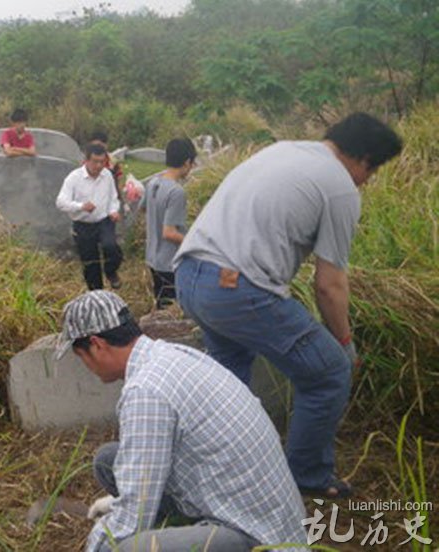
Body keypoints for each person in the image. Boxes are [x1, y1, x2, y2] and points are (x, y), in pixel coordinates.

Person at [174, 112, 403, 498]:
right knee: (329, 371)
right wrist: (345, 344)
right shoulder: (339, 186)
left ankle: (221, 467)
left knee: (230, 381)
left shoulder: (283, 151)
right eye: (373, 170)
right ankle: (306, 477)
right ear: (364, 159)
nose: (368, 180)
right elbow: (330, 286)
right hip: (235, 291)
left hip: (189, 276)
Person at [54, 290, 307, 552]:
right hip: (256, 508)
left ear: (96, 344)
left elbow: (133, 514)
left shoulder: (146, 391)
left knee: (122, 548)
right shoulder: (169, 355)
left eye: (80, 356)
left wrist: (97, 543)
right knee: (108, 460)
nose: (86, 366)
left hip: (257, 535)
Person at [56, 143, 123, 290]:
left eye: (102, 162)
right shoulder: (74, 178)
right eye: (95, 162)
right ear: (86, 160)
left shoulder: (107, 175)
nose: (99, 166)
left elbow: (113, 197)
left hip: (104, 220)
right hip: (83, 224)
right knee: (90, 263)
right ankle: (97, 292)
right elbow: (60, 202)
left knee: (111, 246)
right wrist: (81, 206)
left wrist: (113, 210)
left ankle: (111, 271)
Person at [140, 138, 196, 309]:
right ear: (187, 162)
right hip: (169, 262)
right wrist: (193, 241)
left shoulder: (153, 183)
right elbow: (169, 233)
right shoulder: (176, 192)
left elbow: (143, 209)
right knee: (170, 311)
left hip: (152, 257)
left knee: (160, 304)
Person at [88, 130, 125, 201]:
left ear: (106, 146)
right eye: (95, 146)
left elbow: (119, 180)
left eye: (100, 146)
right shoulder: (86, 162)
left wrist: (122, 200)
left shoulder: (112, 161)